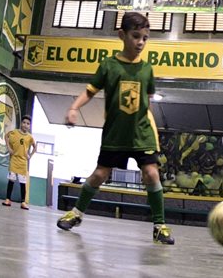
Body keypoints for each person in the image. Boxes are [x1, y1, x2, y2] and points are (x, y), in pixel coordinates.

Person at [56, 12, 174, 245]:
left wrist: (150, 126)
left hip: (141, 134)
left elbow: (147, 101)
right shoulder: (109, 66)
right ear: (122, 35)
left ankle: (160, 226)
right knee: (100, 174)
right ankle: (77, 213)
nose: (140, 42)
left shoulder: (147, 69)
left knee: (151, 174)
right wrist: (73, 108)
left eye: (145, 38)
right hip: (115, 134)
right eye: (136, 36)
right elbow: (90, 91)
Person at [4, 115, 37, 208]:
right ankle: (7, 199)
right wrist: (9, 148)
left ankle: (23, 202)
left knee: (23, 183)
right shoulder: (14, 132)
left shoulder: (30, 137)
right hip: (14, 160)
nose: (25, 125)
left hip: (23, 162)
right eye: (24, 123)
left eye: (28, 124)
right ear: (21, 123)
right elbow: (6, 136)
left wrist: (30, 155)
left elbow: (35, 147)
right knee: (11, 180)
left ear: (29, 126)